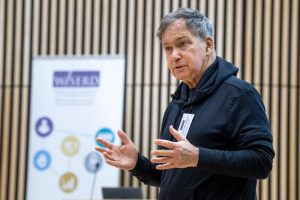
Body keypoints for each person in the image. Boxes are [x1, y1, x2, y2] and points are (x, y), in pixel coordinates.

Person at [95, 8, 275, 200]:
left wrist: (198, 156)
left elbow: (261, 162)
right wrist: (137, 164)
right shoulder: (176, 104)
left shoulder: (240, 95)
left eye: (183, 44)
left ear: (208, 45)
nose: (174, 55)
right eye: (168, 48)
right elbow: (168, 176)